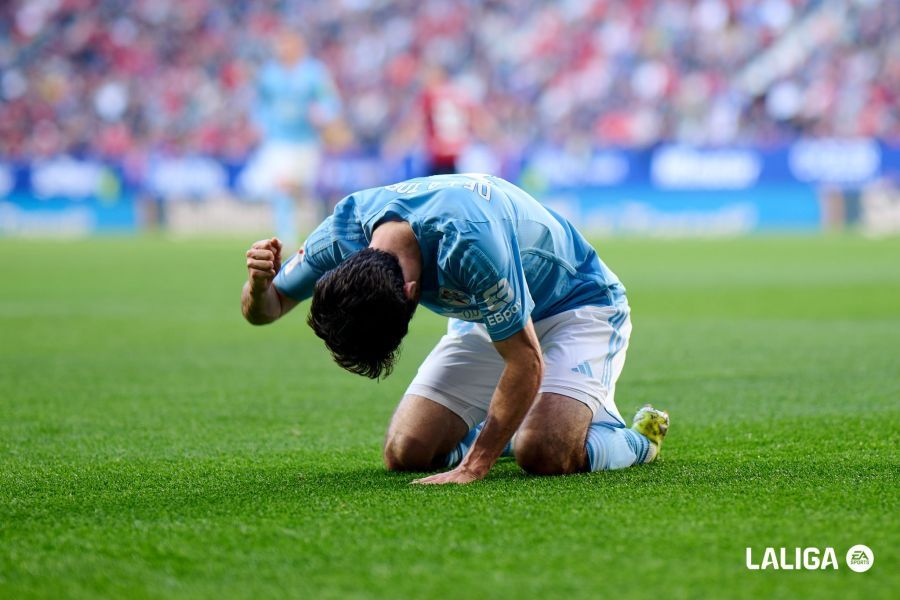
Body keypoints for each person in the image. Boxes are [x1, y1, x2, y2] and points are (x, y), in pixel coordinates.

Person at [241, 173, 669, 485]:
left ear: (410, 293)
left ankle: (636, 441)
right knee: (408, 451)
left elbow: (525, 360)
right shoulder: (342, 234)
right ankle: (510, 427)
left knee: (543, 453)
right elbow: (266, 309)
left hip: (576, 308)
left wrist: (474, 466)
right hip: (487, 313)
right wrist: (259, 284)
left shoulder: (468, 244)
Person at [240, 30, 343, 243]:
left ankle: (319, 235)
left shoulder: (314, 72)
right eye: (280, 44)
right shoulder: (269, 74)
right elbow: (260, 104)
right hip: (279, 141)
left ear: (299, 46)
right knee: (282, 185)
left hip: (306, 141)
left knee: (301, 188)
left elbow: (331, 102)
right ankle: (285, 237)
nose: (282, 49)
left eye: (287, 44)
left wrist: (322, 113)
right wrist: (258, 124)